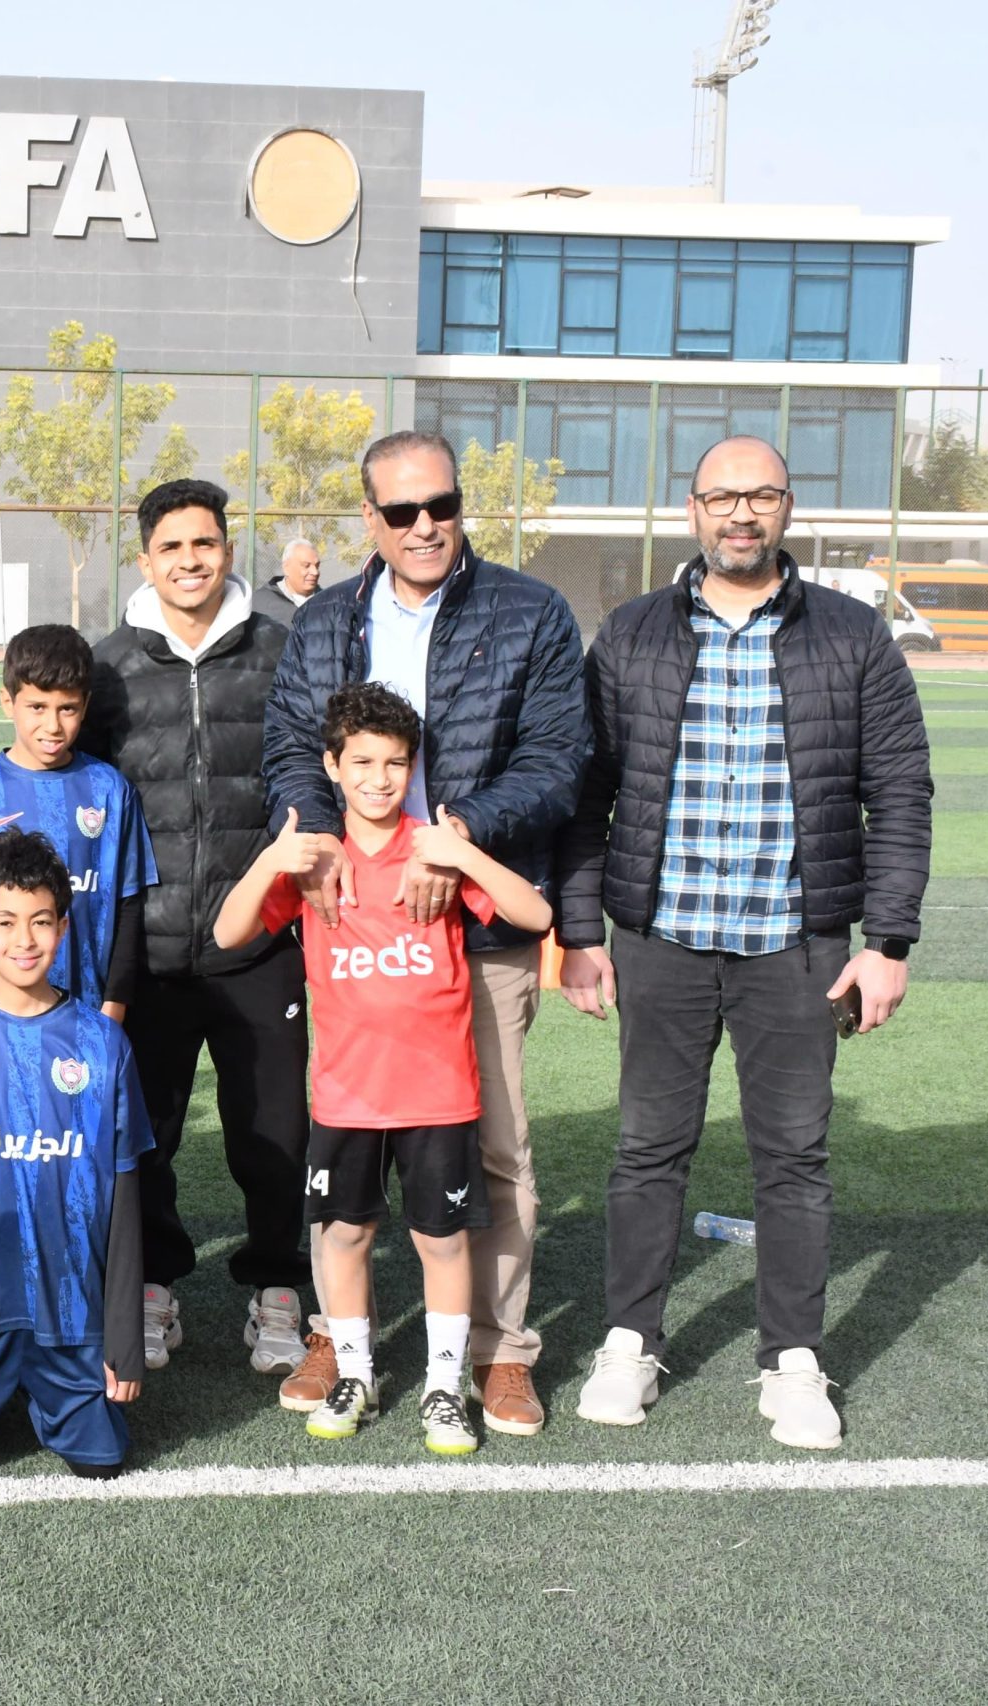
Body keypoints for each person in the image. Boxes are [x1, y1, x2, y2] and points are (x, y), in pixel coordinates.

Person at [559, 436, 931, 1452]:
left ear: (787, 508)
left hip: (797, 946)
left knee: (794, 1156)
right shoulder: (632, 631)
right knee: (647, 1148)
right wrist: (580, 930)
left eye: (759, 494)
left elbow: (899, 791)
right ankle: (630, 1341)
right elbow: (588, 796)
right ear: (692, 510)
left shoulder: (851, 633)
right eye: (722, 496)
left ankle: (793, 1360)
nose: (740, 513)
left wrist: (888, 940)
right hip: (661, 937)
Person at [262, 428, 587, 1437]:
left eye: (440, 505)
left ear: (459, 505)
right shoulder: (324, 620)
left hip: (475, 921)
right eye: (400, 511)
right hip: (355, 922)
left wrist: (459, 843)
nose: (424, 525)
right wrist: (317, 841)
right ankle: (340, 1335)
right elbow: (289, 748)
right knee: (350, 1141)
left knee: (496, 1151)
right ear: (369, 518)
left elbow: (557, 760)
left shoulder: (531, 611)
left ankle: (499, 1349)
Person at [217, 684, 552, 1455]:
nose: (378, 778)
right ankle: (356, 1374)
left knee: (442, 1241)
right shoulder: (317, 861)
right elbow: (229, 932)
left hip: (439, 1094)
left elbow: (535, 916)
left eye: (395, 763)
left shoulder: (434, 852)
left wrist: (464, 852)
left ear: (413, 768)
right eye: (362, 762)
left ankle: (443, 1386)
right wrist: (273, 857)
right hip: (347, 1097)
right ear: (332, 766)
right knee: (343, 1235)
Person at [83, 477, 311, 1380]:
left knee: (275, 1130)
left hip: (260, 942)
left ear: (228, 549)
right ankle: (153, 1284)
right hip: (146, 945)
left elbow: (310, 779)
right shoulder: (105, 667)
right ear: (145, 559)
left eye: (205, 543)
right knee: (147, 1131)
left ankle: (278, 1285)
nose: (190, 561)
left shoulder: (284, 650)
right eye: (172, 547)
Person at [0, 829, 152, 1479]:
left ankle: (57, 1395)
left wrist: (124, 1336)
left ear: (64, 927)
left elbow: (125, 1198)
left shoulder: (102, 1045)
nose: (24, 940)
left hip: (70, 1317)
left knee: (103, 1461)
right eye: (5, 922)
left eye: (41, 921)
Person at [0, 624, 153, 1022]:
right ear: (7, 702)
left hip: (88, 1012)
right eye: (37, 707)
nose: (53, 726)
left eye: (67, 709)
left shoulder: (112, 791)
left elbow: (129, 905)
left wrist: (114, 1005)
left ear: (85, 705)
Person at [249, 536, 322, 628]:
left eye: (317, 566)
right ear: (286, 568)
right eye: (306, 566)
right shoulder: (260, 602)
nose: (315, 572)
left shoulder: (330, 602)